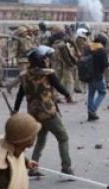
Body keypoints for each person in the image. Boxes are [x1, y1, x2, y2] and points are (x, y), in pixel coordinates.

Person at [14, 46, 74, 177]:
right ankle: (66, 168)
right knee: (63, 137)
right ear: (40, 60)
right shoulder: (48, 73)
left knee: (41, 138)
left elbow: (20, 94)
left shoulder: (25, 75)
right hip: (48, 111)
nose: (47, 60)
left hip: (33, 113)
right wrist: (67, 95)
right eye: (45, 58)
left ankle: (33, 168)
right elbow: (59, 86)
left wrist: (15, 110)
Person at [86, 33, 109, 121]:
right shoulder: (102, 51)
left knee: (91, 93)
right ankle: (92, 110)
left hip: (88, 75)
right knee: (102, 92)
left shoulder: (89, 48)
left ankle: (90, 112)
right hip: (98, 74)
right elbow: (105, 65)